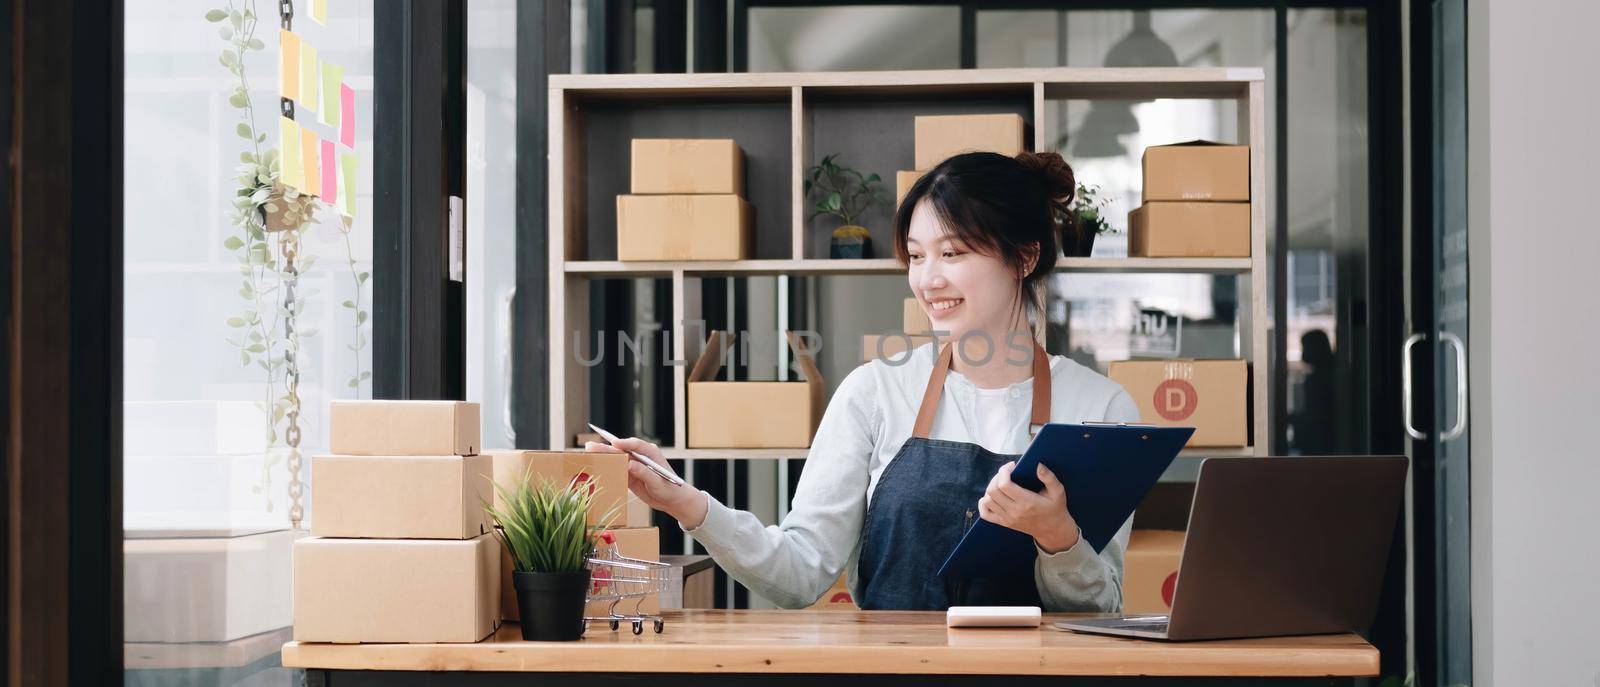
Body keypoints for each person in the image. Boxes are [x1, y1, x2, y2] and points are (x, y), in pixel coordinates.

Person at [587, 150, 1140, 611]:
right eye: (917, 256)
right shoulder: (874, 393)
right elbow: (800, 573)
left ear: (1024, 257)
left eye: (953, 253)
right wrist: (683, 500)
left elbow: (1102, 608)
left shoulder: (1101, 409)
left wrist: (1057, 537)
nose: (928, 279)